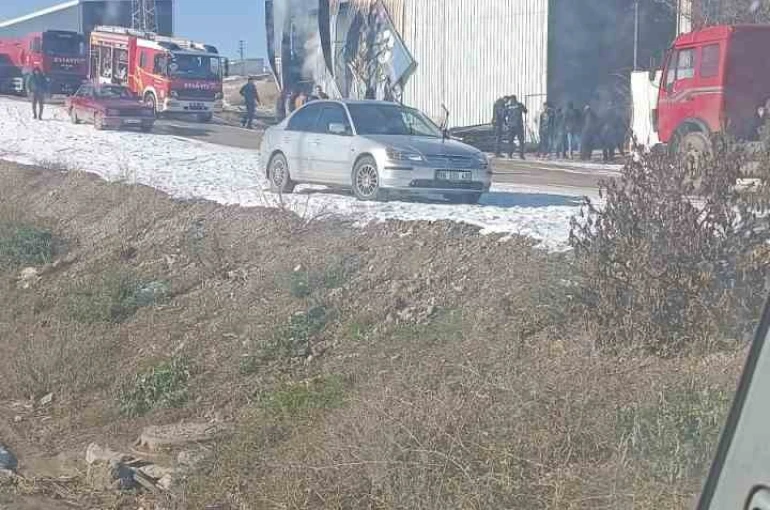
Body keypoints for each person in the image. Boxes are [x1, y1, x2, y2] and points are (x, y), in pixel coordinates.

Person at [506, 95, 528, 160]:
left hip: (511, 126)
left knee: (510, 141)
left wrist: (507, 123)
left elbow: (503, 114)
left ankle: (510, 154)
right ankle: (521, 155)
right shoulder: (519, 105)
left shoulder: (508, 106)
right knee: (521, 141)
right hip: (518, 126)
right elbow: (525, 111)